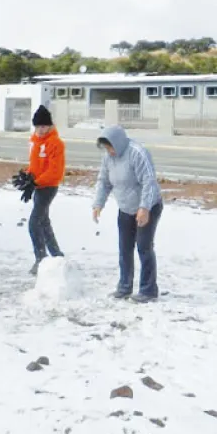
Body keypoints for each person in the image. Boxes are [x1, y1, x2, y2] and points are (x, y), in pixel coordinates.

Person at [92, 124, 163, 302]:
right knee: (125, 248)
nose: (108, 151)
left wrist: (144, 208)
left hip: (148, 206)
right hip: (125, 208)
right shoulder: (108, 158)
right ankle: (124, 287)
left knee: (143, 247)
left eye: (110, 146)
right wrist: (98, 204)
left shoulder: (137, 153)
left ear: (118, 142)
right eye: (105, 148)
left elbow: (149, 182)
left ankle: (148, 290)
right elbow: (104, 182)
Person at [17, 104, 66, 275]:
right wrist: (27, 176)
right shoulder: (35, 141)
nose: (40, 129)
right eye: (37, 126)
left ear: (49, 125)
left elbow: (54, 171)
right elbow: (35, 165)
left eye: (43, 126)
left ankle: (41, 258)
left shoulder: (55, 144)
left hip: (48, 187)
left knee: (34, 222)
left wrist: (35, 183)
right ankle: (57, 256)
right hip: (38, 186)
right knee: (44, 221)